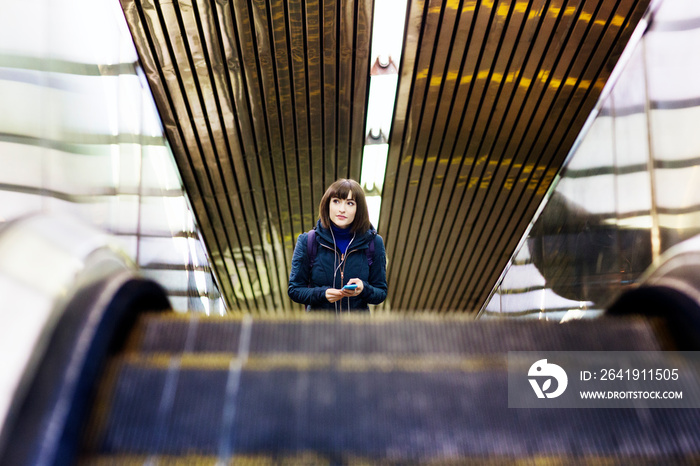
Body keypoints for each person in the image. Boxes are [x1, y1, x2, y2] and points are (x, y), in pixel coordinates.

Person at [288, 179, 387, 312]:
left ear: (359, 209)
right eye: (336, 201)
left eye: (350, 203)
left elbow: (381, 292)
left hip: (357, 329)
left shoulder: (374, 243)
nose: (342, 209)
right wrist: (322, 294)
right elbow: (294, 290)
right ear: (327, 204)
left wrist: (364, 289)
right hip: (319, 328)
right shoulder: (308, 241)